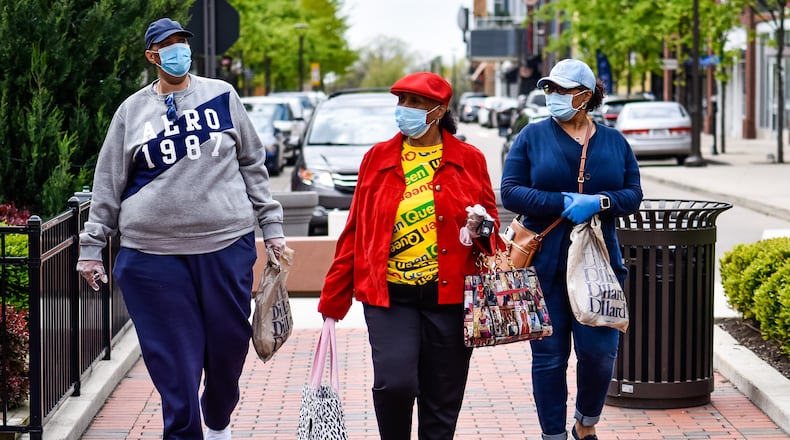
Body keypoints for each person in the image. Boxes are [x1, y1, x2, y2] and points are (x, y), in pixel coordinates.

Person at [76, 18, 285, 440]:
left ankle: (219, 418)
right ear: (152, 56)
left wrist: (272, 226)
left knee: (228, 348)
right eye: (167, 46)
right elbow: (108, 182)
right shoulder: (131, 111)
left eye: (181, 43)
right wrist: (91, 247)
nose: (177, 51)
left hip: (225, 246)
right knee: (174, 361)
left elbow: (253, 163)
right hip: (150, 257)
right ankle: (183, 431)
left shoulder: (222, 96)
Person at [317, 72, 499, 440]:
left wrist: (481, 227)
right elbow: (355, 230)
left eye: (415, 103)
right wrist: (332, 300)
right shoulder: (377, 157)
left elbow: (491, 235)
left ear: (440, 110)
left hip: (449, 299)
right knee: (394, 384)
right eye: (401, 102)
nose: (405, 110)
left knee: (441, 400)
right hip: (390, 297)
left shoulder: (469, 159)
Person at [501, 58, 643, 440]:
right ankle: (553, 435)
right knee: (548, 359)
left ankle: (585, 422)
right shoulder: (531, 136)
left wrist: (600, 202)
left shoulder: (614, 142)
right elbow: (510, 190)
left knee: (600, 354)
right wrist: (561, 202)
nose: (553, 97)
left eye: (562, 90)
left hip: (598, 264)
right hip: (542, 266)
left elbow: (633, 194)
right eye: (549, 89)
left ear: (585, 95)